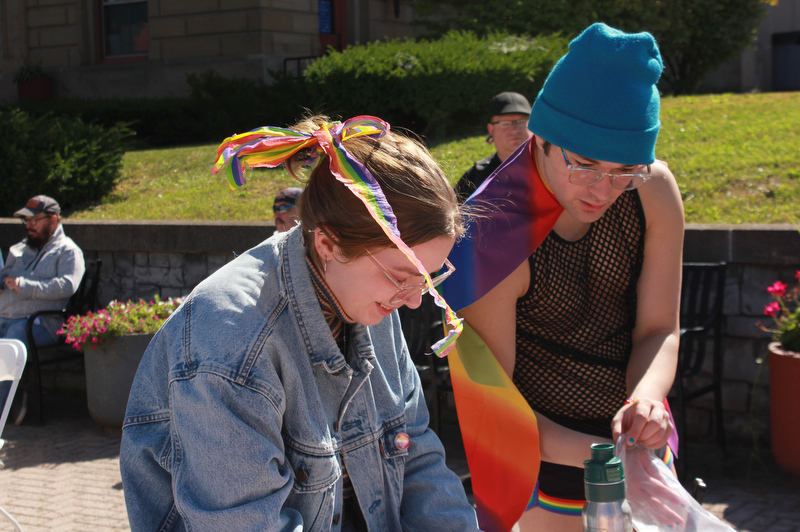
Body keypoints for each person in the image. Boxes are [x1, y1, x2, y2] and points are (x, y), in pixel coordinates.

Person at [120, 116, 478, 531]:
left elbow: (415, 456)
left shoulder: (369, 293)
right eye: (402, 276)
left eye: (429, 278)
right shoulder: (231, 342)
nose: (415, 300)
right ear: (328, 243)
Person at [453, 24, 685, 531]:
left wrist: (645, 400)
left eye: (627, 169)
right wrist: (608, 454)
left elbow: (659, 330)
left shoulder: (651, 191)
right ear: (540, 137)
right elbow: (497, 407)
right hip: (540, 473)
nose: (604, 189)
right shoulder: (492, 229)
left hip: (638, 448)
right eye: (585, 164)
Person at [0, 195, 85, 353]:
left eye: (34, 221)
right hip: (5, 316)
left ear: (53, 220)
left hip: (38, 322)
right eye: (26, 220)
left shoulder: (68, 251)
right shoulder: (20, 248)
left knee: (7, 349)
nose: (29, 226)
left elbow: (67, 286)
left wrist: (24, 286)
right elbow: (5, 275)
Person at [455, 91, 532, 200]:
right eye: (506, 123)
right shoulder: (475, 177)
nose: (515, 130)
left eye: (522, 122)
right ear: (491, 129)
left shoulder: (551, 169)